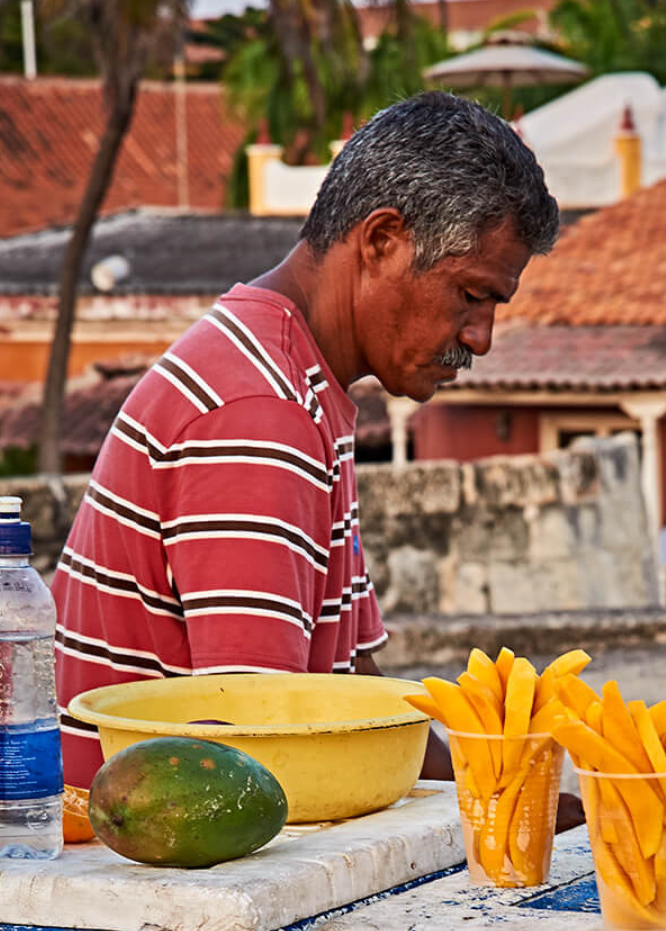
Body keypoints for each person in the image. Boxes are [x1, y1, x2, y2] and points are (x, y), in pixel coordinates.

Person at [52, 92, 575, 820]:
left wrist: (517, 793)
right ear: (383, 240)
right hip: (156, 860)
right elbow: (256, 749)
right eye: (470, 295)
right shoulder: (258, 414)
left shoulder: (296, 385)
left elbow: (354, 692)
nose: (480, 337)